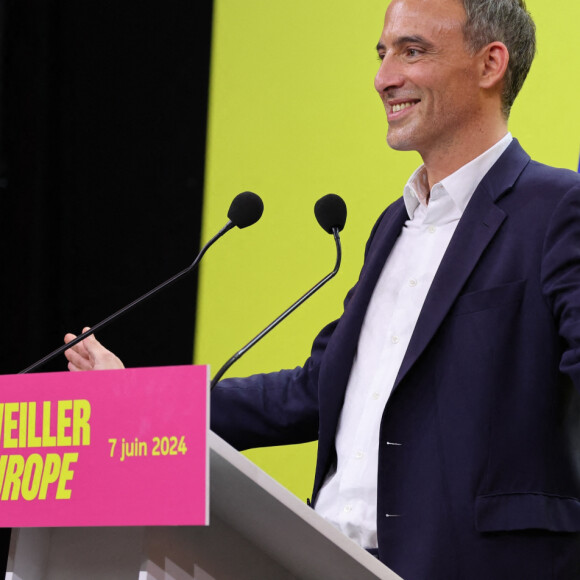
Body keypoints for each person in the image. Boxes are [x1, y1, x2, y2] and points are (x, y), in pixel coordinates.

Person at [65, 0, 580, 577]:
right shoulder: (393, 225)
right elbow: (315, 390)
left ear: (490, 65)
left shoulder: (558, 208)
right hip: (326, 561)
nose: (385, 77)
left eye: (413, 51)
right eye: (383, 54)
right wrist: (140, 401)